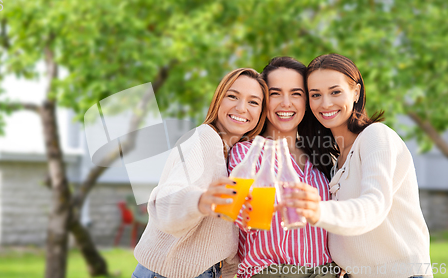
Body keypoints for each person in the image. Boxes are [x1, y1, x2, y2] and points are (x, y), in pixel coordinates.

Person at [285, 53, 431, 278]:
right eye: (316, 95)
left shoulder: (376, 137)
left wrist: (319, 210)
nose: (325, 103)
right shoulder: (336, 158)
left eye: (335, 92)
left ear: (356, 92)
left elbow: (374, 206)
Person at [133, 68, 269, 278]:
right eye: (232, 96)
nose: (242, 108)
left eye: (253, 102)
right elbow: (167, 196)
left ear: (261, 112)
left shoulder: (235, 154)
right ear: (218, 101)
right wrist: (201, 201)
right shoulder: (205, 138)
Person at [228, 57, 339, 278]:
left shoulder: (323, 159)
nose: (286, 103)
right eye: (275, 93)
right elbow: (240, 213)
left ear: (306, 102)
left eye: (296, 94)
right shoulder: (246, 153)